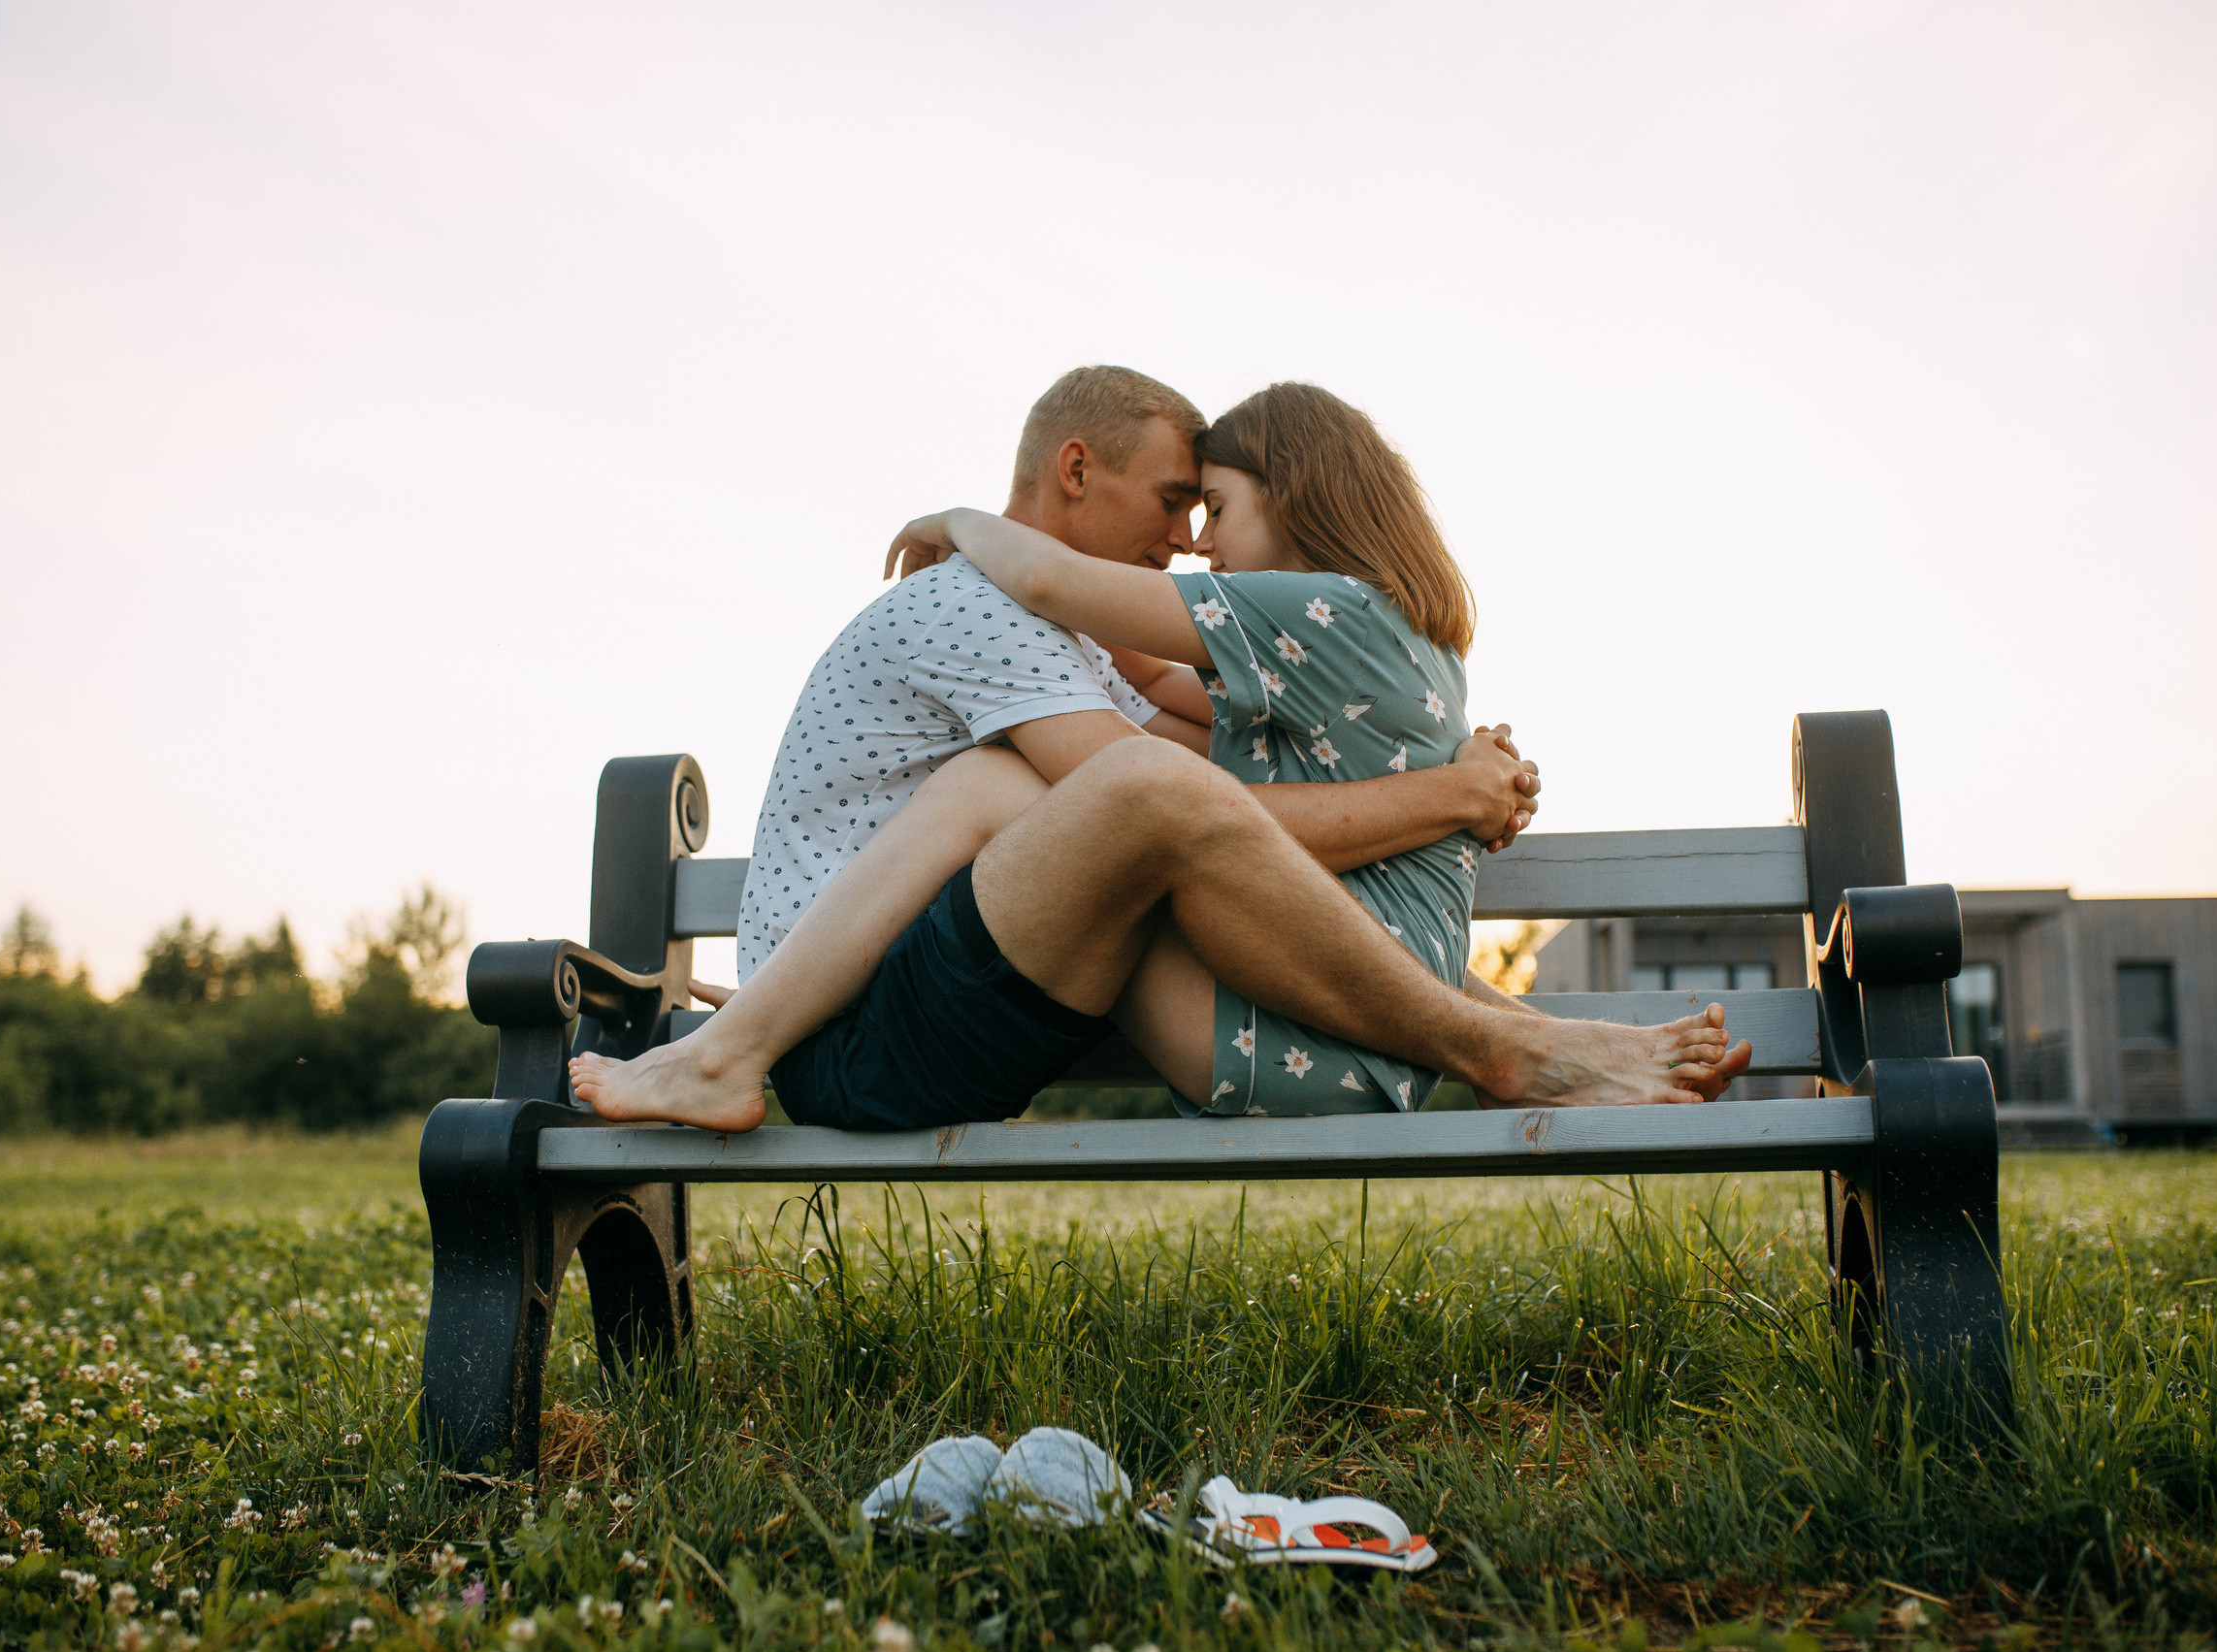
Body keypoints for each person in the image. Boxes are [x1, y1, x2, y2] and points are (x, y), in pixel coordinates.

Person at [571, 369, 1746, 1133]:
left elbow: (1218, 826)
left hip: (924, 1004)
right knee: (1103, 786)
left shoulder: (1078, 654)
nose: (1186, 543)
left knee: (1096, 788)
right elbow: (1180, 804)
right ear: (1078, 471)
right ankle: (1498, 1041)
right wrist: (1446, 791)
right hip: (872, 1035)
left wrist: (1446, 784)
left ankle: (1514, 1039)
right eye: (1174, 502)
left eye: (1207, 509)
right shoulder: (982, 607)